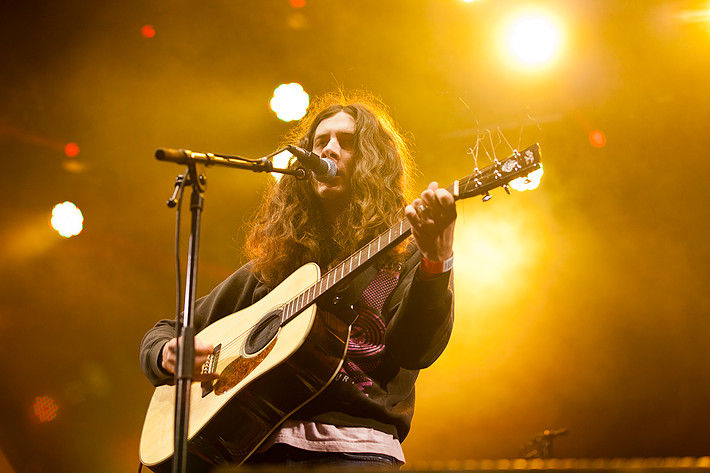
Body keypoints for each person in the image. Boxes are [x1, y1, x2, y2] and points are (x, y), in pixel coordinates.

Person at [140, 91, 457, 469]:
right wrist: (166, 355)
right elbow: (165, 330)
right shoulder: (276, 266)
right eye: (320, 142)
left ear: (374, 162)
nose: (329, 150)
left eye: (347, 142)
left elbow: (417, 350)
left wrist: (437, 262)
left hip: (359, 453)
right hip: (260, 452)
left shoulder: (407, 249)